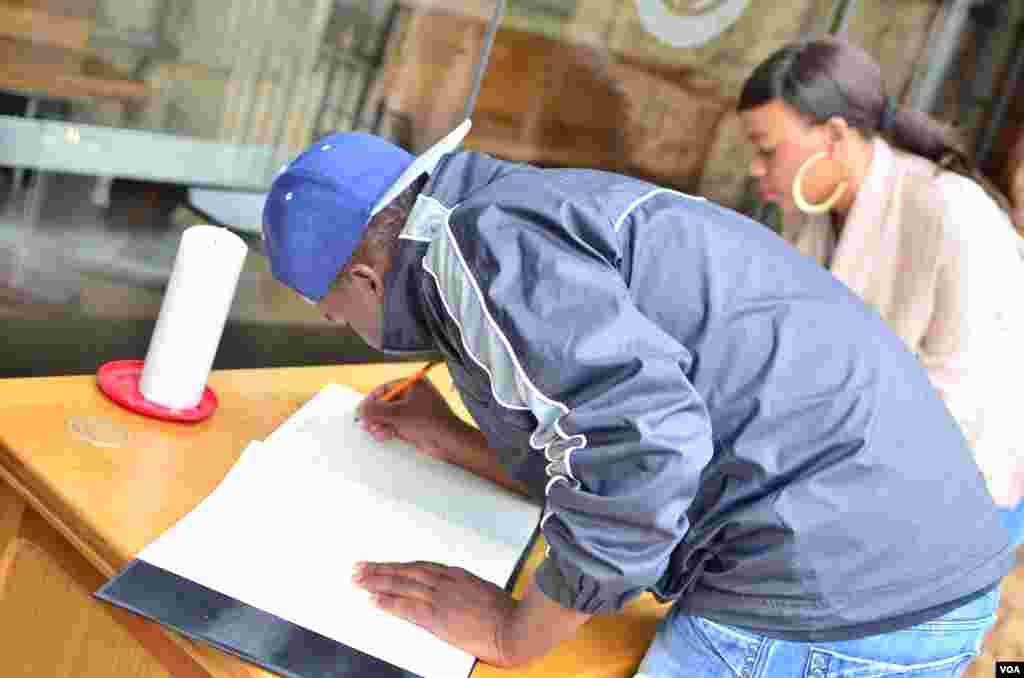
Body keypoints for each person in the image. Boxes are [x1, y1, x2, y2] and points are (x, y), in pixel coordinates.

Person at [261, 119, 1012, 677]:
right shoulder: (515, 209)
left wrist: (511, 632)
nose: (350, 330)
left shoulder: (479, 251)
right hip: (910, 567)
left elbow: (640, 452)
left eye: (336, 314)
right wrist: (453, 438)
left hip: (830, 600)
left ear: (364, 278)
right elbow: (597, 426)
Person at [737, 36, 1024, 544]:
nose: (755, 169)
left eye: (767, 150)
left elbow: (964, 403)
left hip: (950, 503)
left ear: (834, 135)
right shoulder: (812, 213)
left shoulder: (952, 212)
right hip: (841, 478)